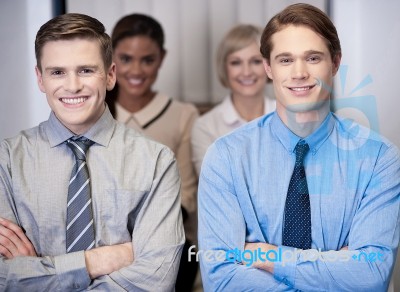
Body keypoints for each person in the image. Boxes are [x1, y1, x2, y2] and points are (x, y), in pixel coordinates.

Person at [198, 3, 400, 291]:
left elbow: (370, 275)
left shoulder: (379, 158)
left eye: (313, 58)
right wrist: (335, 265)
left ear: (335, 63)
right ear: (268, 67)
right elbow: (222, 279)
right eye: (285, 60)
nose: (299, 72)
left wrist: (271, 257)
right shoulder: (226, 156)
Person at [0, 13, 184, 290]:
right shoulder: (7, 161)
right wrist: (93, 262)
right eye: (57, 72)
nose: (72, 86)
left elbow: (155, 281)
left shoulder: (156, 162)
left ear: (110, 76)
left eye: (86, 70)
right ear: (40, 79)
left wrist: (36, 274)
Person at [105, 13, 198, 291]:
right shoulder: (95, 111)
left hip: (166, 241)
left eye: (147, 60)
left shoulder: (182, 115)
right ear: (111, 58)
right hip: (105, 241)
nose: (136, 70)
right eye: (126, 59)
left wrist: (143, 240)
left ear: (162, 58)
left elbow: (186, 196)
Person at [191, 24, 275, 175]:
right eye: (236, 62)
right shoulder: (206, 127)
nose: (246, 72)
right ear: (224, 68)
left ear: (268, 65)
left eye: (256, 61)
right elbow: (214, 186)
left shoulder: (290, 117)